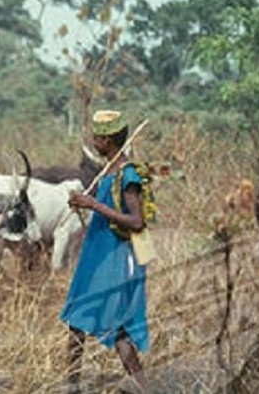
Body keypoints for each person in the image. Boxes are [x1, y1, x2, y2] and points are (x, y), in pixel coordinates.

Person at [60, 110, 150, 393]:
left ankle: (144, 388)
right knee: (77, 318)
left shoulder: (128, 174)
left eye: (97, 137)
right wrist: (84, 205)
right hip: (96, 255)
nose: (93, 141)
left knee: (118, 328)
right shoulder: (109, 171)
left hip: (114, 257)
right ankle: (71, 385)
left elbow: (137, 222)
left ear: (109, 140)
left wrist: (93, 205)